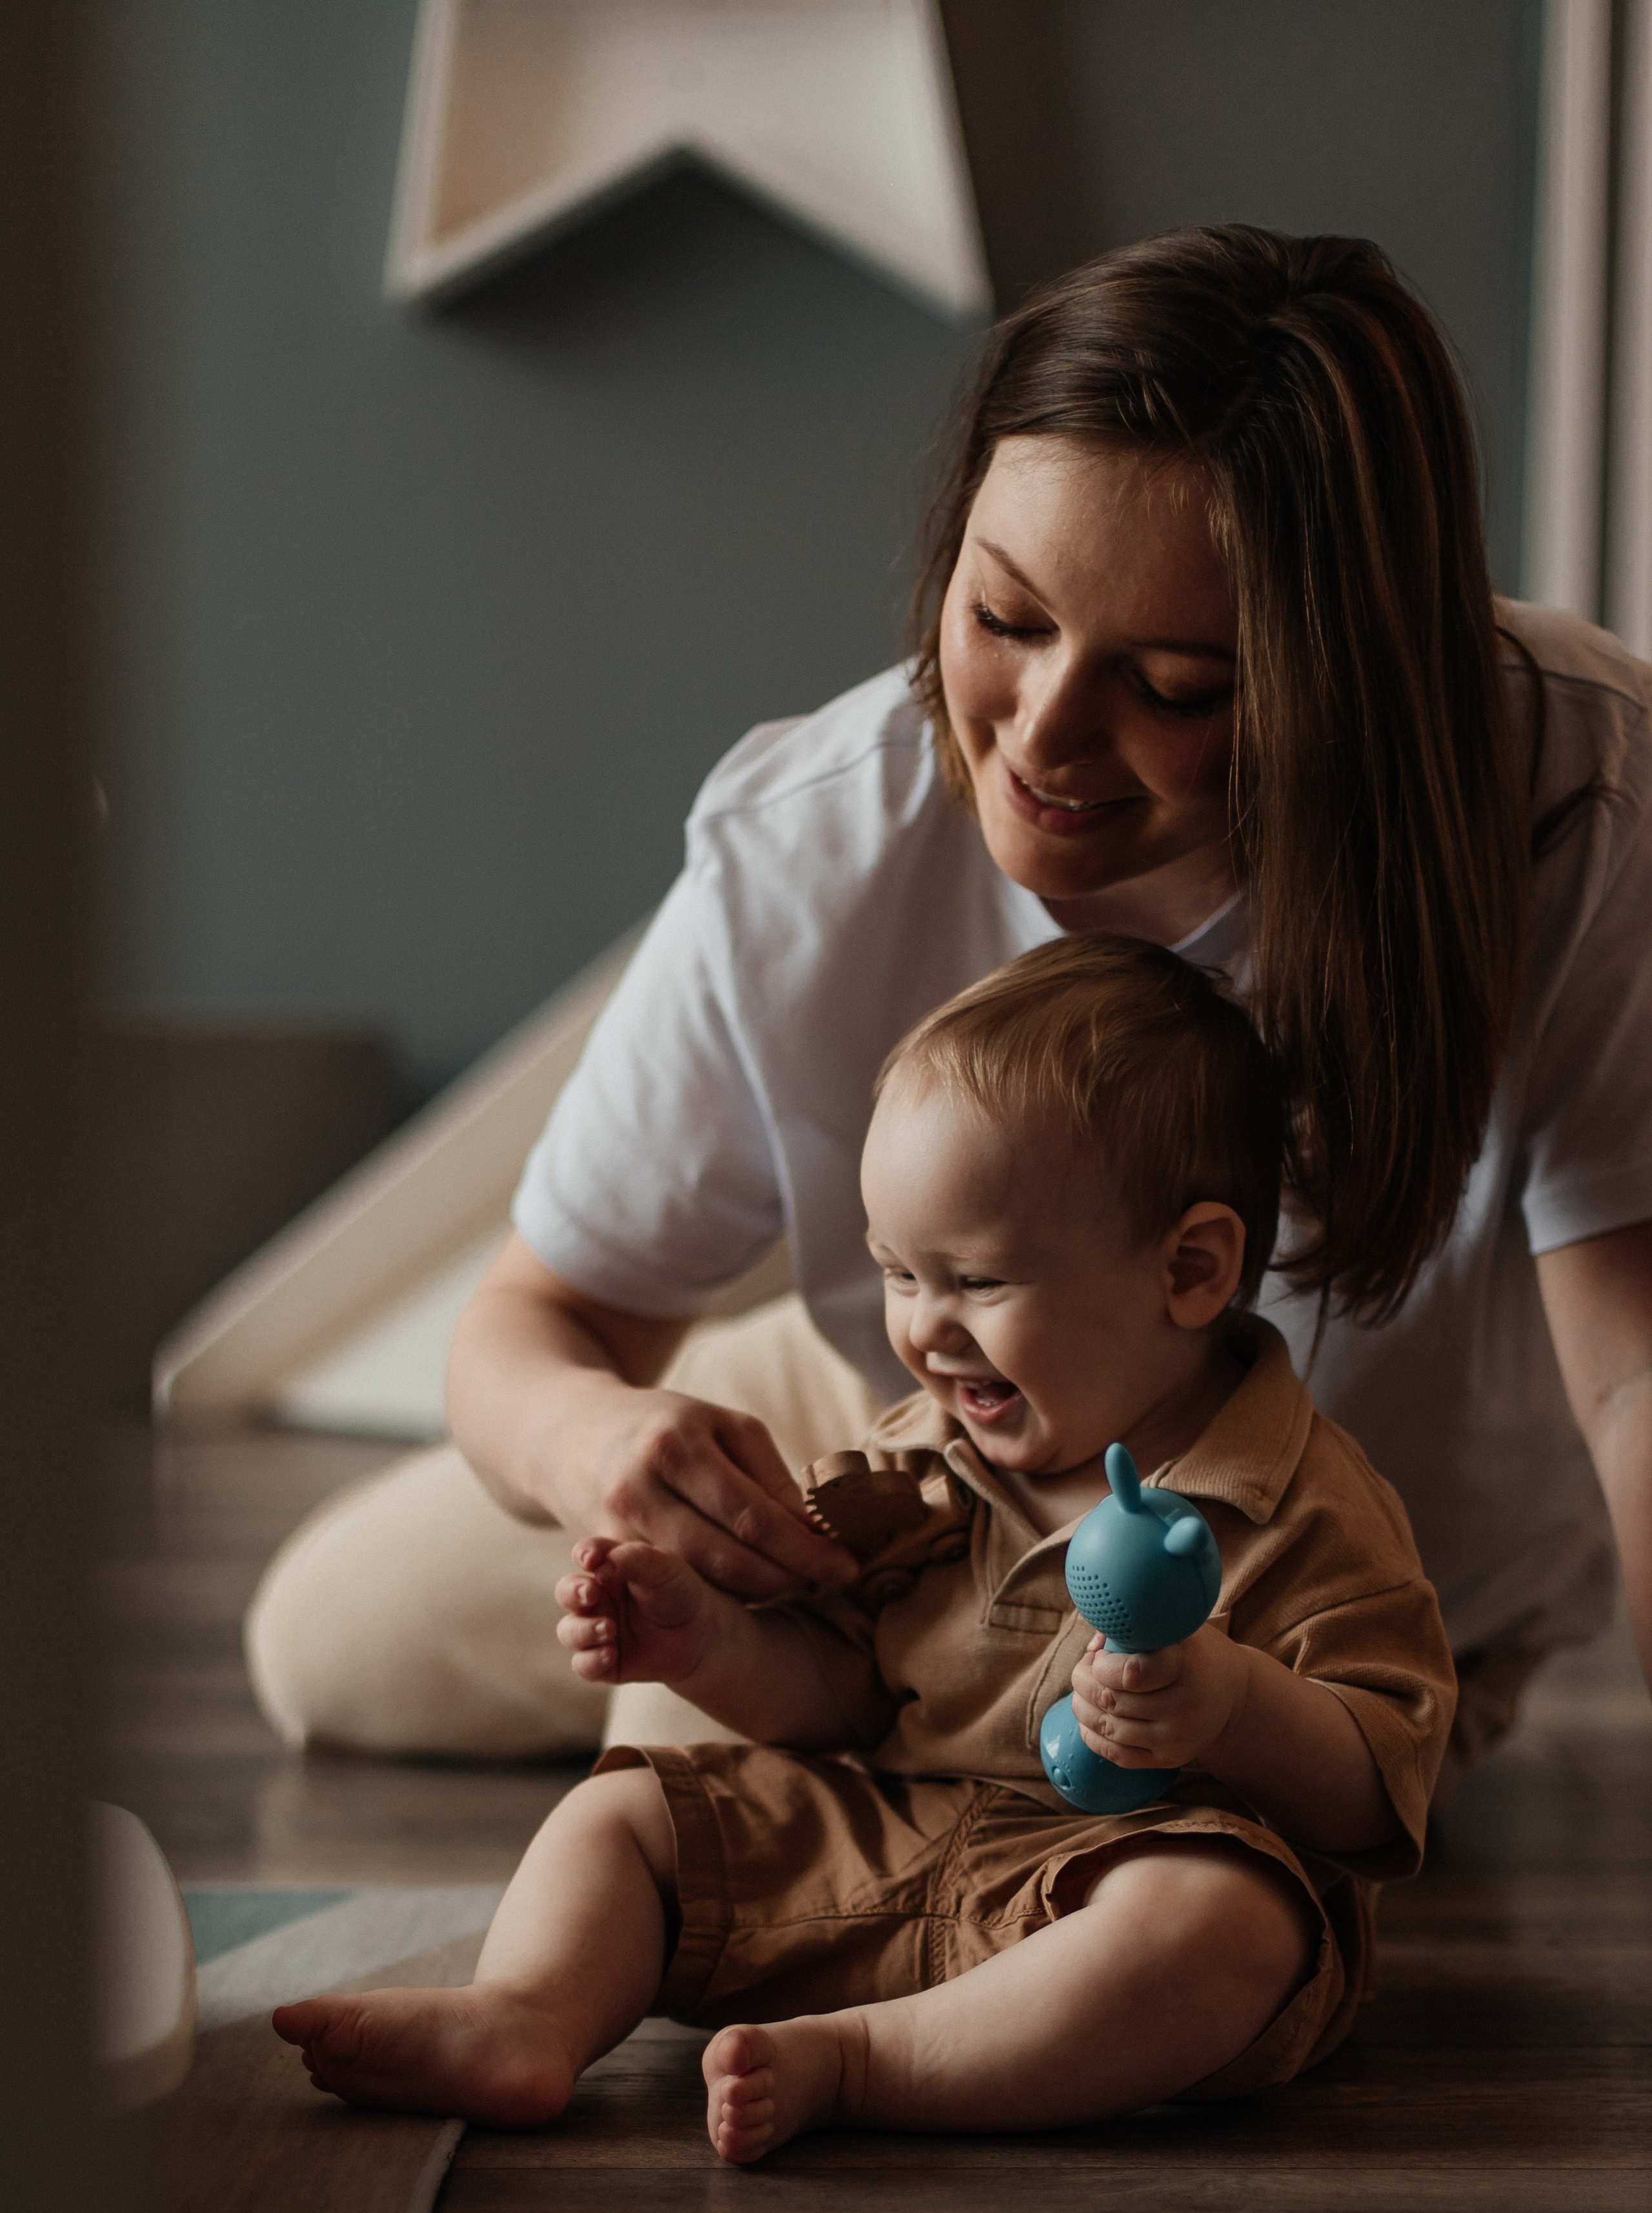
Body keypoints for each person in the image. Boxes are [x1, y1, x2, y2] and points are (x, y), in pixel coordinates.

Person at [246, 224, 1652, 1784]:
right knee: (333, 1637)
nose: (1040, 735)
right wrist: (599, 1448)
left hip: (1319, 1593)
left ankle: (887, 1730)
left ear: (1346, 685)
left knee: (927, 1827)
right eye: (1004, 619)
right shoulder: (812, 842)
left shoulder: (1574, 795)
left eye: (1172, 688)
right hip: (934, 1442)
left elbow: (1633, 1378)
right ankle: (887, 1679)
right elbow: (537, 1322)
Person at [272, 939, 1456, 2152]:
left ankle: (864, 2061)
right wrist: (703, 1646)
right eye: (897, 1271)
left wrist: (1238, 1707)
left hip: (1115, 1878)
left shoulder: (1304, 1503)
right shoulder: (915, 1464)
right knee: (624, 1812)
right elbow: (838, 1696)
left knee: (1225, 1928)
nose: (925, 1330)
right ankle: (529, 2011)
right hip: (890, 1838)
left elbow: (1384, 1784)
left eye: (977, 1280)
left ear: (1190, 1269)